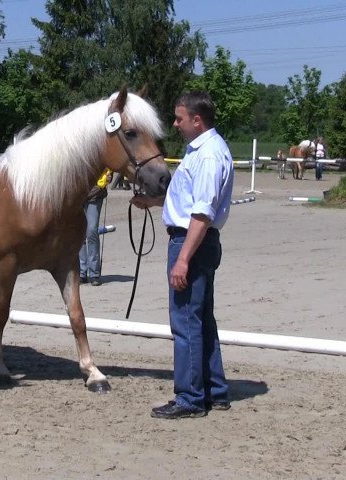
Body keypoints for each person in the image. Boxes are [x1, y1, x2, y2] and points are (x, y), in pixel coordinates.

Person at [131, 91, 234, 419]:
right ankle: (214, 389)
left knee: (186, 319)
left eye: (179, 118)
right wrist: (154, 203)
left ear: (197, 120)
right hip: (199, 240)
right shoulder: (208, 151)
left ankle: (190, 398)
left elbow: (201, 213)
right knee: (201, 317)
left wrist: (183, 259)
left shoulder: (206, 156)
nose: (175, 124)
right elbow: (191, 203)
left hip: (191, 242)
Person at [79, 168, 112, 286]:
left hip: (95, 194)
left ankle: (94, 273)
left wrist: (109, 176)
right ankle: (81, 272)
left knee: (91, 231)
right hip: (77, 195)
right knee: (79, 233)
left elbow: (108, 164)